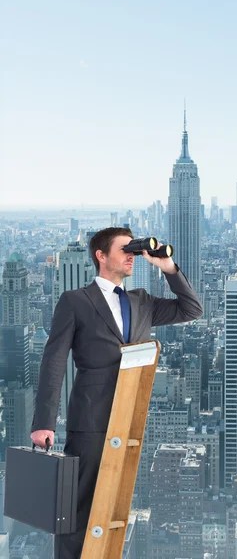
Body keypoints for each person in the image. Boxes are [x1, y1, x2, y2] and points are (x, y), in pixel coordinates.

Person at [30, 227, 203, 558]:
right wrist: (44, 422)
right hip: (91, 415)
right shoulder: (75, 301)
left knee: (116, 506)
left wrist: (167, 267)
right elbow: (53, 362)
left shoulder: (142, 301)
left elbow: (192, 309)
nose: (132, 256)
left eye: (134, 250)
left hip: (130, 415)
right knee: (79, 505)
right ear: (101, 256)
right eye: (125, 249)